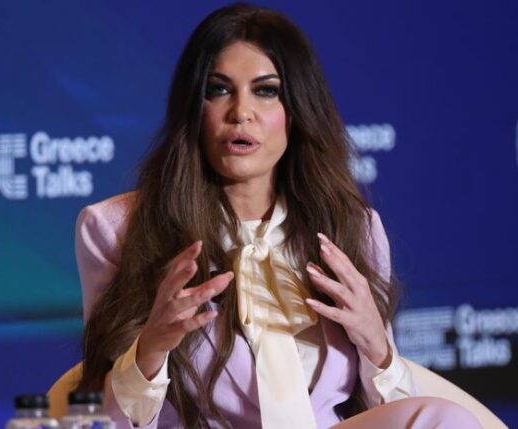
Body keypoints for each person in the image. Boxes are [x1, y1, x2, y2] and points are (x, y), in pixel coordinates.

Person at [74, 3, 482, 429]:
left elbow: (387, 407)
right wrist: (150, 350)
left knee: (444, 418)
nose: (241, 112)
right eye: (219, 89)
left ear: (298, 109)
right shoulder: (116, 229)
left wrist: (377, 347)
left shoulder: (354, 229)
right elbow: (99, 419)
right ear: (193, 107)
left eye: (266, 91)